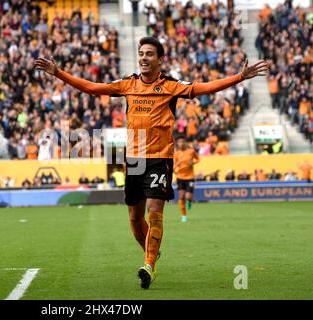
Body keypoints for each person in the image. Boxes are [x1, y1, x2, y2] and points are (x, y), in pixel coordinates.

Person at [35, 36, 268, 289]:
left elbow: (205, 88)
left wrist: (239, 77)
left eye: (149, 54)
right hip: (134, 161)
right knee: (135, 220)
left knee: (154, 212)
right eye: (141, 53)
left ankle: (149, 265)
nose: (144, 58)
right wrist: (57, 72)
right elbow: (92, 88)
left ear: (160, 59)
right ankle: (152, 251)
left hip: (160, 159)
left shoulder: (171, 86)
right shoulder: (128, 84)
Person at [173, 136, 200, 222]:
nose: (181, 143)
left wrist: (193, 162)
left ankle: (189, 201)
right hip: (180, 177)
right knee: (181, 196)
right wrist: (177, 165)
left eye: (182, 142)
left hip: (190, 177)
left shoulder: (191, 151)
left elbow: (198, 159)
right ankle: (184, 215)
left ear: (185, 143)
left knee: (188, 197)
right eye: (179, 142)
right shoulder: (176, 154)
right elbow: (173, 167)